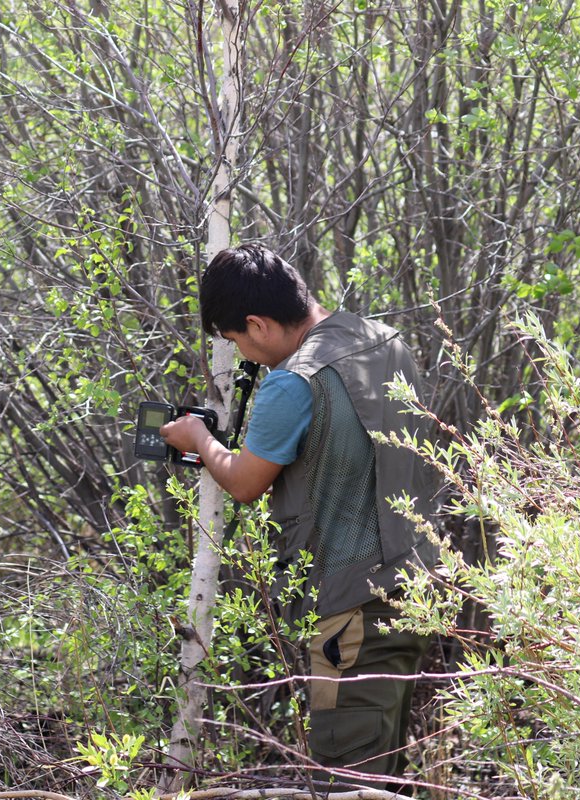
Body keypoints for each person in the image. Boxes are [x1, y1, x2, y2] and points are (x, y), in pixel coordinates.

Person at [160, 243, 437, 787]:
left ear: (258, 324)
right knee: (388, 774)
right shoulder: (385, 340)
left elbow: (242, 482)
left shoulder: (293, 382)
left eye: (237, 338)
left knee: (350, 778)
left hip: (350, 613)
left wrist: (198, 438)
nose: (243, 353)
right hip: (417, 587)